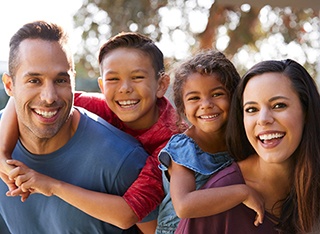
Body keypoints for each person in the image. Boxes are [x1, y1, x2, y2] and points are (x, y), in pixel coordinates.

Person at [0, 31, 185, 232]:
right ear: (102, 86)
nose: (124, 88)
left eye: (137, 77)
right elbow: (26, 99)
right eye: (113, 79)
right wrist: (2, 153)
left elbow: (129, 213)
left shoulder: (174, 144)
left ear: (161, 85)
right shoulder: (104, 106)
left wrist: (52, 186)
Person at [175, 59, 320, 233]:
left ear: (306, 111)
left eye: (279, 105)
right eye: (251, 109)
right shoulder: (221, 196)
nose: (263, 119)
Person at [156, 50, 265, 233]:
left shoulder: (242, 140)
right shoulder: (183, 148)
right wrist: (242, 193)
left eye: (216, 94)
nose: (206, 104)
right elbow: (184, 206)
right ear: (182, 106)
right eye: (194, 98)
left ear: (234, 97)